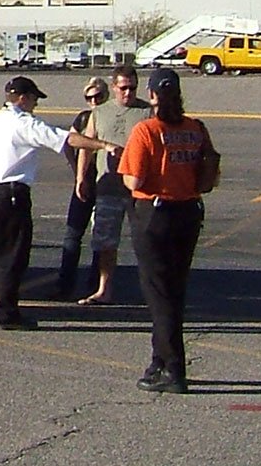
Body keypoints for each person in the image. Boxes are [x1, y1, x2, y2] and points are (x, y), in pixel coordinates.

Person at [0, 76, 118, 330]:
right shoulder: (25, 124)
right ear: (22, 98)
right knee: (14, 255)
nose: (36, 104)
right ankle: (7, 313)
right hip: (12, 192)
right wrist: (103, 144)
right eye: (34, 99)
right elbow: (66, 140)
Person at [120, 67, 217, 393]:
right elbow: (210, 175)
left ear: (151, 95)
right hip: (188, 212)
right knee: (173, 291)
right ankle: (159, 361)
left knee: (158, 294)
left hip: (155, 214)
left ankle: (174, 368)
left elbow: (133, 181)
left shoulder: (146, 130)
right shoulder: (195, 128)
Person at [77, 64, 152, 305]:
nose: (128, 93)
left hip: (140, 189)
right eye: (123, 88)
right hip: (108, 186)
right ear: (114, 87)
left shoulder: (147, 112)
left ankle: (152, 290)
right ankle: (104, 289)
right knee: (106, 241)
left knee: (146, 241)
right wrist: (81, 178)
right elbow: (86, 146)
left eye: (132, 88)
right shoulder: (99, 113)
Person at [54, 77, 105, 300]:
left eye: (98, 96)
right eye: (89, 97)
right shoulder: (84, 118)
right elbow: (68, 141)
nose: (94, 101)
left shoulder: (111, 117)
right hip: (85, 181)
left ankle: (96, 283)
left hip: (106, 181)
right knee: (73, 233)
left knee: (101, 235)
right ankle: (65, 284)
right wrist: (76, 170)